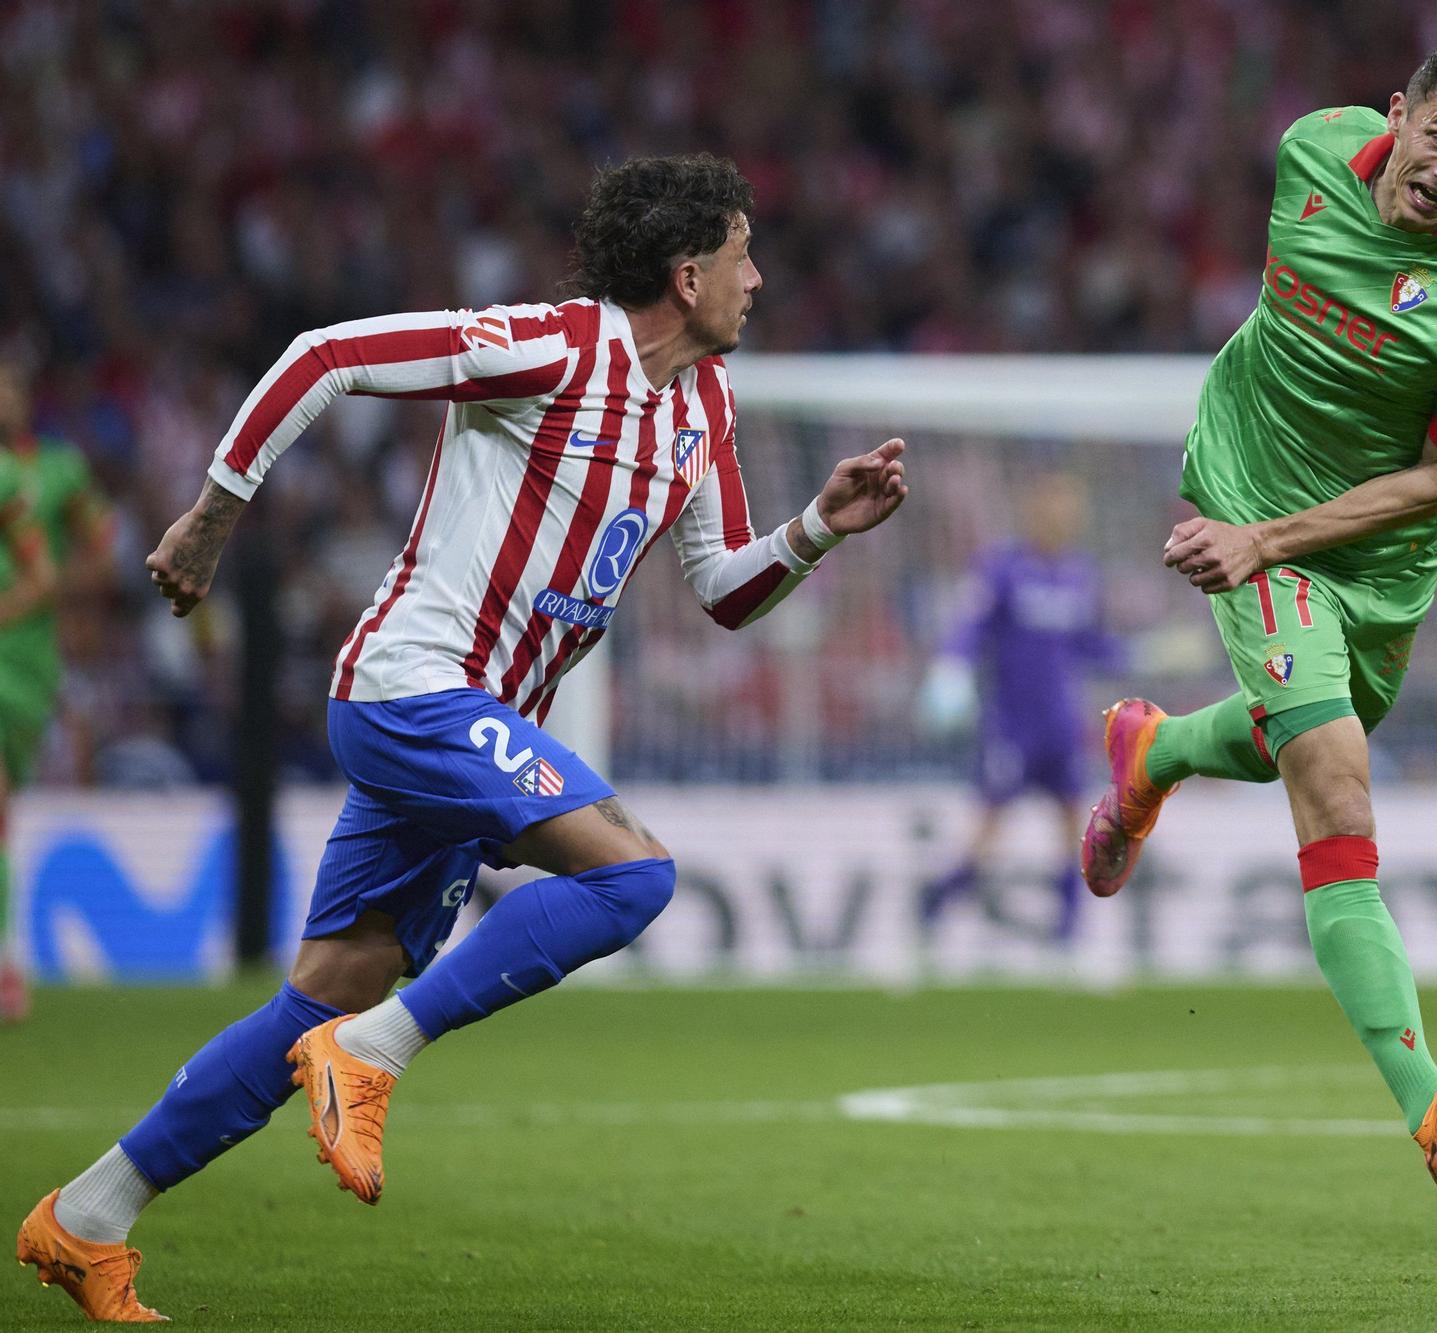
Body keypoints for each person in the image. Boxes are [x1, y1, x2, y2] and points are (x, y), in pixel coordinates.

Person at [16, 153, 909, 1322]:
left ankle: (86, 1217)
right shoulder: (550, 346)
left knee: (318, 1002)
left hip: (475, 728)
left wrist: (814, 530)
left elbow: (723, 589)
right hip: (412, 692)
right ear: (687, 275)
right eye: (745, 254)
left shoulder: (701, 407)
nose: (761, 277)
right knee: (633, 875)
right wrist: (211, 513)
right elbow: (325, 357)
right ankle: (377, 1054)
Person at [1078, 40, 1437, 1203]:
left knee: (1319, 727)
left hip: (1381, 556)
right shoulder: (1311, 149)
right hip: (1248, 501)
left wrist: (1291, 542)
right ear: (1396, 113)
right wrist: (1252, 537)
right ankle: (1432, 1108)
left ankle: (1160, 750)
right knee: (1333, 782)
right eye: (1435, 136)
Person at [916, 474, 1123, 943]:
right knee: (989, 831)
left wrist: (1137, 653)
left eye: (1071, 509)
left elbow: (1090, 644)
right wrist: (951, 667)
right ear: (1034, 512)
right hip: (1012, 725)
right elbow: (971, 625)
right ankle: (937, 904)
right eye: (1055, 507)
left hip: (1062, 726)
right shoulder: (1002, 568)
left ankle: (1068, 931)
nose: (1064, 518)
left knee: (1075, 826)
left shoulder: (1079, 573)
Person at [0, 362, 112, 1024]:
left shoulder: (57, 471)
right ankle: (8, 968)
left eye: (11, 382)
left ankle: (7, 966)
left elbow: (99, 554)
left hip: (23, 660)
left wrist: (38, 596)